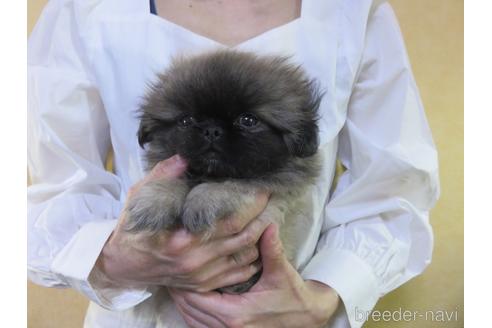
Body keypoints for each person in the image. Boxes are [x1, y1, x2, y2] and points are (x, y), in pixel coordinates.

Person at [27, 0, 440, 327]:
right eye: (190, 122)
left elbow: (394, 190)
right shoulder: (83, 8)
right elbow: (56, 189)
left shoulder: (353, 9)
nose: (212, 135)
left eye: (246, 122)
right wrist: (116, 259)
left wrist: (322, 297)